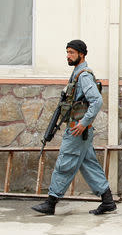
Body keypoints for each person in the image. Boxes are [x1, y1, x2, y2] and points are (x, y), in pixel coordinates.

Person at [32, 40, 116, 215]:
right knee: (88, 164)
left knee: (65, 162)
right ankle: (107, 201)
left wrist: (83, 123)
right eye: (67, 52)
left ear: (81, 54)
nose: (68, 55)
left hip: (77, 130)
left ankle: (51, 202)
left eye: (71, 52)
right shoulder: (77, 73)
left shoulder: (83, 75)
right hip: (79, 130)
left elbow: (97, 100)